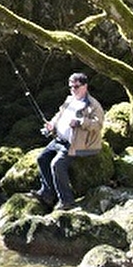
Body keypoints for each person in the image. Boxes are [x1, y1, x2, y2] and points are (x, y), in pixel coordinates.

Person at [33, 72, 105, 210]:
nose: (73, 90)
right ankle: (47, 193)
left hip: (75, 144)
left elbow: (98, 125)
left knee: (57, 164)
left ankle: (67, 201)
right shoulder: (69, 100)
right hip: (58, 140)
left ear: (85, 86)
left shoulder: (93, 105)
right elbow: (58, 115)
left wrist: (80, 122)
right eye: (71, 87)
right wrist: (52, 125)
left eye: (76, 87)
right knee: (42, 158)